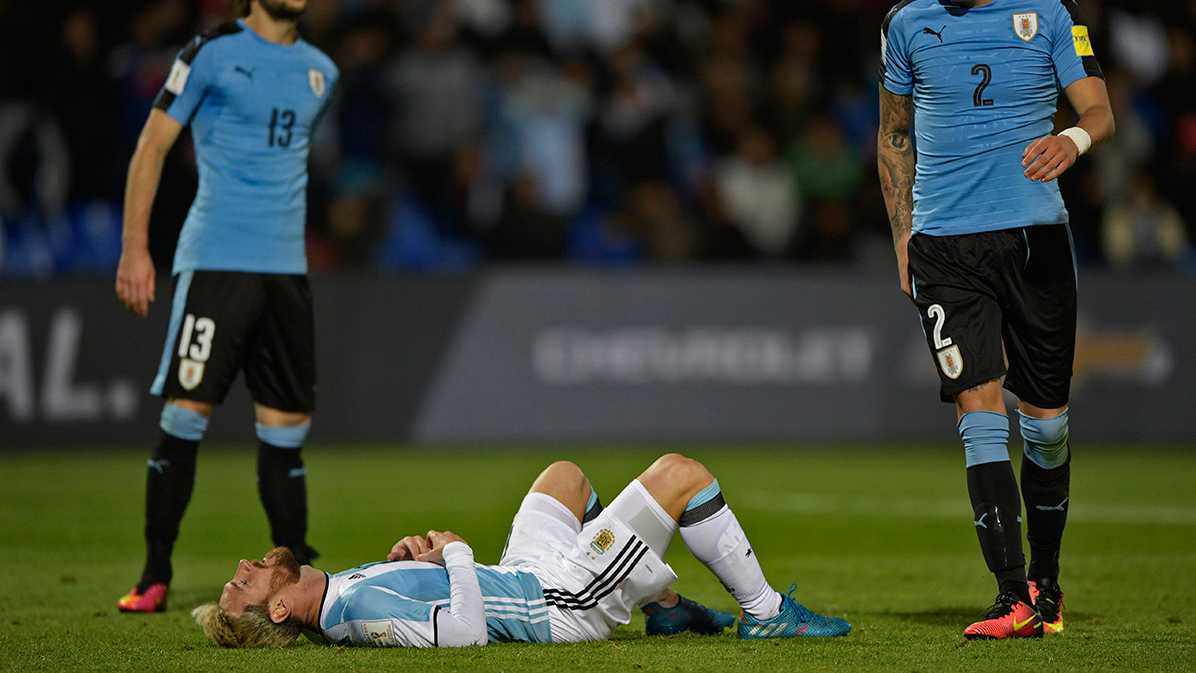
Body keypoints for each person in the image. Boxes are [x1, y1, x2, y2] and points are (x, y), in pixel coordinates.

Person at [877, 0, 1114, 639]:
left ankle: (1046, 581)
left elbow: (1100, 111)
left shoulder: (1052, 14)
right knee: (977, 411)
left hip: (1035, 240)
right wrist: (904, 237)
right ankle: (1012, 595)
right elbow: (894, 133)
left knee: (1046, 426)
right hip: (945, 245)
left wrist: (1073, 138)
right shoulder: (907, 21)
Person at [114, 0, 338, 613]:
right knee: (186, 415)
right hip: (217, 262)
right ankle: (155, 570)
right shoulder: (210, 52)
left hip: (286, 273)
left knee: (286, 430)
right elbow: (152, 146)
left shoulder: (322, 70)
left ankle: (297, 569)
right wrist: (135, 248)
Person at [191, 453, 852, 647]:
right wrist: (452, 553)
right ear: (279, 609)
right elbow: (465, 633)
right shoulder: (354, 610)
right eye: (245, 581)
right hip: (557, 600)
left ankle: (667, 604)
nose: (247, 564)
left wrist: (415, 561)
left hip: (522, 575)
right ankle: (765, 610)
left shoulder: (341, 591)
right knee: (681, 474)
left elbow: (430, 602)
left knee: (562, 477)